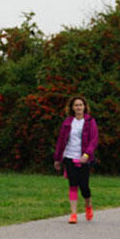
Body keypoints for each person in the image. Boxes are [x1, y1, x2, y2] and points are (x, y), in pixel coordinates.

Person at [52, 95, 99, 224]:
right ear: (72, 108)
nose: (78, 107)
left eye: (80, 105)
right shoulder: (67, 123)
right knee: (73, 184)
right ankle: (73, 214)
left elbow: (94, 140)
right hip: (69, 157)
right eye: (76, 105)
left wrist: (86, 155)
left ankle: (88, 206)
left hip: (84, 158)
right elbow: (61, 141)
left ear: (84, 107)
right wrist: (57, 158)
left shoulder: (90, 121)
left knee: (84, 187)